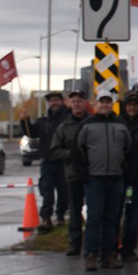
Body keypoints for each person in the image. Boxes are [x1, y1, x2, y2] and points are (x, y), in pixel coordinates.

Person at [74, 94, 133, 271]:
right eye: (102, 102)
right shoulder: (86, 125)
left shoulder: (121, 125)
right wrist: (83, 174)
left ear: (112, 104)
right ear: (96, 104)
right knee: (94, 218)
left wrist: (126, 171)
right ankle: (91, 255)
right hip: (95, 179)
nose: (105, 105)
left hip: (116, 178)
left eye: (108, 102)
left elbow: (129, 150)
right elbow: (77, 151)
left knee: (112, 219)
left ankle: (109, 255)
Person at [44, 91, 91, 255]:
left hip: (93, 173)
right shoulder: (64, 127)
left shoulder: (93, 123)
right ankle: (74, 243)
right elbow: (54, 150)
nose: (77, 104)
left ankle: (93, 242)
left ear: (86, 103)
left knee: (94, 210)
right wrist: (71, 154)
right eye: (74, 101)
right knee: (75, 210)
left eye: (80, 100)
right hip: (73, 174)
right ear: (70, 104)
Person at [116, 89, 138, 265]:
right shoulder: (117, 124)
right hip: (119, 177)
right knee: (115, 215)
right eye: (129, 105)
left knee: (133, 217)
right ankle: (112, 248)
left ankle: (128, 249)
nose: (132, 108)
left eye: (135, 105)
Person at [30, 92, 68, 234]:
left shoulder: (66, 118)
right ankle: (46, 217)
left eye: (57, 100)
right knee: (47, 189)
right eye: (52, 101)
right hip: (47, 161)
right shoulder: (43, 121)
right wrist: (25, 121)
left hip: (63, 161)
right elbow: (32, 133)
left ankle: (60, 216)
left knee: (64, 191)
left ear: (62, 101)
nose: (54, 103)